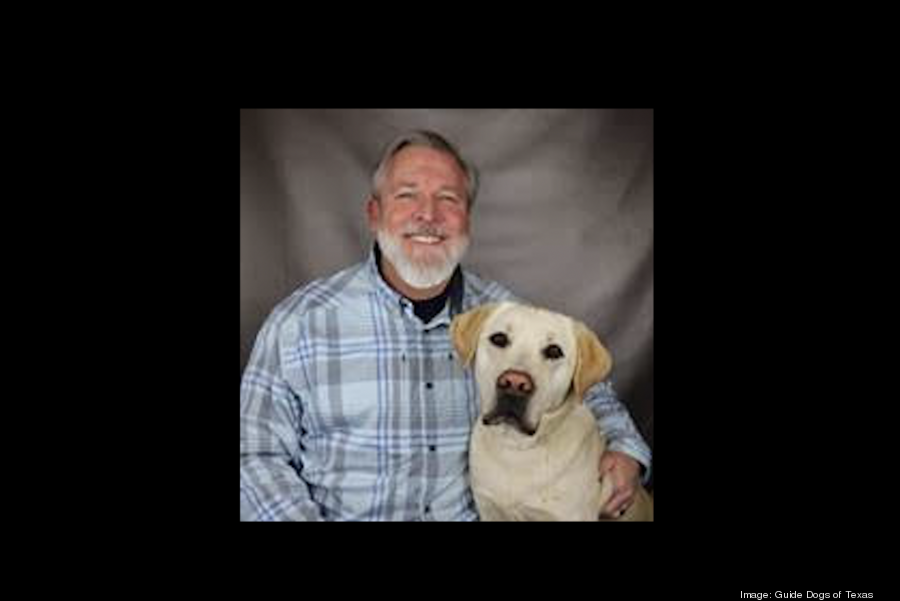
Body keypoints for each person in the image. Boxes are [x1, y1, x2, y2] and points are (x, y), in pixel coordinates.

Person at [240, 129, 652, 521]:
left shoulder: (505, 319)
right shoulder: (300, 324)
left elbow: (585, 388)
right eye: (407, 195)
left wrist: (627, 449)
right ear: (374, 214)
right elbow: (255, 454)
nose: (428, 214)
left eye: (448, 199)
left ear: (467, 219)